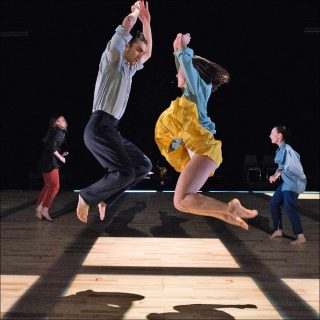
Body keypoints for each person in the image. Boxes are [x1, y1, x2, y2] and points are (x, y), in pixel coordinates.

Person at [154, 33, 258, 230]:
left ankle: (230, 208)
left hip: (204, 150)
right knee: (182, 201)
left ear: (190, 73)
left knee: (182, 199)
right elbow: (184, 67)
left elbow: (186, 67)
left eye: (180, 72)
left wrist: (182, 49)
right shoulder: (193, 96)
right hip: (202, 151)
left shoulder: (194, 92)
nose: (177, 75)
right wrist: (177, 51)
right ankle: (226, 213)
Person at [76, 0, 152, 223]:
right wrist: (136, 13)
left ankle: (105, 199)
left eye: (142, 52)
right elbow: (126, 26)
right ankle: (86, 196)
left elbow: (148, 55)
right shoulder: (112, 59)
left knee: (143, 165)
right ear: (126, 46)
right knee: (125, 172)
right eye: (137, 49)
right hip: (98, 126)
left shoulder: (130, 69)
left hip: (111, 129)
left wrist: (147, 22)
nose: (140, 55)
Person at [268, 125, 307, 245]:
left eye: (272, 133)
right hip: (287, 182)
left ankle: (300, 236)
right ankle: (278, 230)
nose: (270, 136)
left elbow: (284, 165)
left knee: (289, 207)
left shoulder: (286, 149)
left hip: (294, 182)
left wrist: (275, 176)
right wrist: (275, 176)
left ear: (279, 136)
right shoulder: (280, 149)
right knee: (273, 202)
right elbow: (281, 166)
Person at [35, 116, 69, 221]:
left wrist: (61, 155)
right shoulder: (59, 132)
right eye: (61, 120)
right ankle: (45, 209)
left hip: (45, 160)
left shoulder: (54, 131)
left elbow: (52, 147)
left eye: (64, 119)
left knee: (48, 185)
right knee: (55, 186)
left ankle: (39, 207)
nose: (64, 121)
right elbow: (53, 148)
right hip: (50, 163)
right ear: (57, 123)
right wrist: (61, 158)